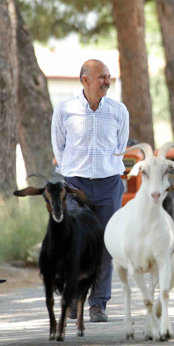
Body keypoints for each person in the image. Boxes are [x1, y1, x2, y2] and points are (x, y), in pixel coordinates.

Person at [51, 59, 129, 323]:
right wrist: (71, 171)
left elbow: (120, 147)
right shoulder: (65, 110)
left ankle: (98, 304)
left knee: (106, 245)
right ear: (85, 80)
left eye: (108, 77)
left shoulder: (119, 111)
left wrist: (107, 169)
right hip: (75, 185)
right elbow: (58, 146)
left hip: (109, 184)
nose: (107, 81)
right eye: (102, 77)